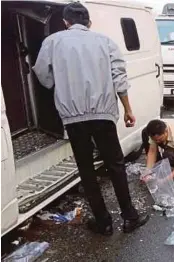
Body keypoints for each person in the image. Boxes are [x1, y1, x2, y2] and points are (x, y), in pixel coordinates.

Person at [32, 3, 149, 235]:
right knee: (116, 166)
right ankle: (129, 217)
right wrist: (127, 109)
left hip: (73, 118)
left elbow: (43, 76)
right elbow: (119, 79)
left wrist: (62, 83)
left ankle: (103, 223)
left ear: (65, 22)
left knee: (86, 170)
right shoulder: (105, 42)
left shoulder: (53, 42)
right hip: (103, 114)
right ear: (89, 22)